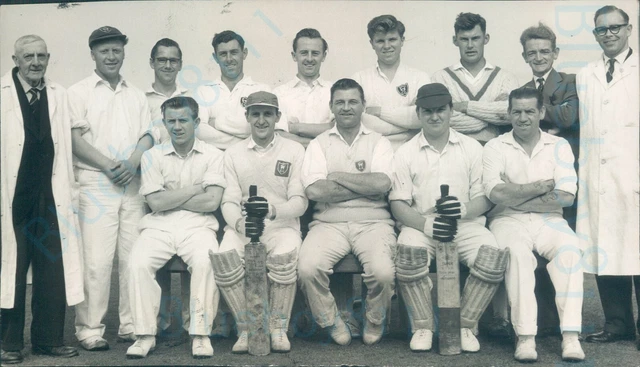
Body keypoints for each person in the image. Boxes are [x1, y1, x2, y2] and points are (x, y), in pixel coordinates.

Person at [390, 82, 508, 353]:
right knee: (408, 255)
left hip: (465, 225)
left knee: (492, 257)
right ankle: (423, 326)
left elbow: (486, 197)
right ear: (418, 113)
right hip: (421, 225)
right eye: (428, 111)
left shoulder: (472, 147)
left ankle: (464, 325)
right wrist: (426, 223)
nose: (435, 117)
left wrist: (464, 209)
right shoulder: (405, 152)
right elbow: (398, 204)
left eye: (441, 110)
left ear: (451, 110)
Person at [483, 87, 585, 362]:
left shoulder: (558, 146)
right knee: (517, 256)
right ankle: (525, 338)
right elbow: (495, 193)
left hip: (550, 219)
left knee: (570, 251)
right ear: (508, 113)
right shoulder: (495, 146)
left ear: (541, 112)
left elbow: (565, 196)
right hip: (507, 220)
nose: (523, 117)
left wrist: (515, 193)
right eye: (516, 111)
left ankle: (571, 336)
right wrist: (540, 187)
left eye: (530, 111)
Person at [68, 26, 153, 351]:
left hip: (132, 184)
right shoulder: (78, 92)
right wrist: (108, 165)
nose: (111, 56)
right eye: (105, 51)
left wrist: (132, 162)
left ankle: (131, 325)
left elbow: (147, 135)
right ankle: (90, 329)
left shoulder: (136, 94)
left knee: (132, 258)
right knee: (97, 262)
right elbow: (74, 139)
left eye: (116, 50)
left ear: (123, 52)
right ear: (93, 54)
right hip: (95, 184)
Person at [1, 35, 83, 365]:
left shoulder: (59, 95)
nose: (35, 62)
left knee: (52, 266)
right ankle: (8, 344)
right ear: (15, 59)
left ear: (48, 58)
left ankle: (48, 340)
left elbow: (68, 140)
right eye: (28, 56)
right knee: (12, 267)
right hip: (13, 194)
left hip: (51, 194)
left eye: (41, 56)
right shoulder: (2, 95)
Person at [297, 78, 396, 346]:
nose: (346, 107)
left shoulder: (379, 142)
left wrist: (337, 176)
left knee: (384, 272)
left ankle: (374, 318)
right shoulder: (318, 143)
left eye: (353, 101)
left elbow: (383, 184)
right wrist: (365, 186)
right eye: (339, 102)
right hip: (328, 224)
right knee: (307, 268)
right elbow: (316, 192)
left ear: (363, 105)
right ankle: (331, 321)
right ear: (331, 106)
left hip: (374, 222)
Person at [126, 96, 225, 359]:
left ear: (197, 122)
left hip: (198, 227)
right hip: (158, 227)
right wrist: (194, 189)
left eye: (183, 120)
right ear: (165, 123)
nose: (177, 127)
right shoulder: (151, 156)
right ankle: (145, 334)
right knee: (137, 262)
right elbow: (156, 203)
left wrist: (172, 198)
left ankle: (201, 333)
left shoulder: (214, 155)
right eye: (171, 121)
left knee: (206, 262)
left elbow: (212, 201)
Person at [210, 91, 307, 353]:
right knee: (225, 257)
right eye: (255, 114)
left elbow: (300, 201)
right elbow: (229, 201)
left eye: (267, 114)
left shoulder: (294, 150)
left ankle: (277, 328)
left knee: (285, 258)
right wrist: (240, 225)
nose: (261, 120)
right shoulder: (232, 153)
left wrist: (273, 211)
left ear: (277, 117)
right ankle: (248, 327)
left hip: (281, 225)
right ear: (247, 117)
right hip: (244, 227)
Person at [577, 5, 639, 348]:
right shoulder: (587, 74)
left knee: (638, 251)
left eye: (615, 27)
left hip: (633, 176)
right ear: (595, 34)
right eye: (602, 29)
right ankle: (617, 324)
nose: (609, 34)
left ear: (629, 29)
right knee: (606, 251)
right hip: (598, 180)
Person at [519, 22, 581, 337]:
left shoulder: (570, 82)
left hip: (564, 182)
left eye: (545, 51)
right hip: (535, 178)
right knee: (536, 253)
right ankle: (546, 322)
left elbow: (569, 118)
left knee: (566, 252)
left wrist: (535, 113)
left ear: (555, 52)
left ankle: (569, 321)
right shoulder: (524, 89)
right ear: (524, 55)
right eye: (532, 53)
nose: (539, 57)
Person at [432, 12, 519, 145]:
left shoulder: (505, 77)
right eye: (464, 39)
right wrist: (491, 114)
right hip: (453, 151)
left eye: (476, 38)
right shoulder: (440, 78)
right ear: (455, 40)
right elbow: (440, 119)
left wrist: (464, 106)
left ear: (486, 38)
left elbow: (510, 114)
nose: (470, 45)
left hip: (496, 151)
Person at [352, 14, 431, 150]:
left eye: (392, 39)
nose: (387, 46)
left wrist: (380, 112)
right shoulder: (358, 79)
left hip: (412, 152)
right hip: (371, 152)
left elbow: (422, 117)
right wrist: (406, 126)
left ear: (402, 40)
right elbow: (360, 120)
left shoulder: (420, 77)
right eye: (380, 41)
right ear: (372, 44)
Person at [194, 30, 272, 151]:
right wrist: (247, 142)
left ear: (244, 53)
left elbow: (266, 129)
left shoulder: (261, 89)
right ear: (215, 57)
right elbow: (199, 131)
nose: (229, 59)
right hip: (215, 162)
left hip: (251, 161)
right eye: (223, 54)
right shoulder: (204, 91)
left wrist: (216, 123)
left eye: (234, 52)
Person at [274, 28, 334, 148]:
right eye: (304, 53)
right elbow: (277, 135)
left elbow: (339, 131)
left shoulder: (335, 91)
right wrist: (321, 139)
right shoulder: (279, 93)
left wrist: (296, 128)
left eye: (315, 53)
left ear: (324, 56)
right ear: (294, 56)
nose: (310, 59)